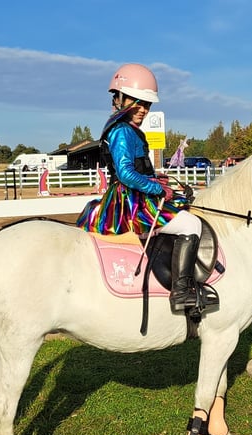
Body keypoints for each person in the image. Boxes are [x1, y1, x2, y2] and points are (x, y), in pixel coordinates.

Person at [76, 63, 202, 312]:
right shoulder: (122, 131)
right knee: (191, 225)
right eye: (138, 102)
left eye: (147, 105)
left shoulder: (129, 130)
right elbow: (125, 174)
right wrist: (157, 189)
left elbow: (136, 169)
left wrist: (157, 178)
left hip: (135, 194)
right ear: (120, 99)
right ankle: (180, 293)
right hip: (130, 202)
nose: (143, 110)